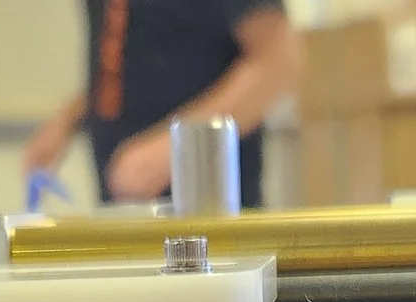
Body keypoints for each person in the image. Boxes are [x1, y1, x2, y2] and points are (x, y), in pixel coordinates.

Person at [24, 1, 299, 209]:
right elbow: (134, 52)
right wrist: (68, 119)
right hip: (126, 212)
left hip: (208, 222)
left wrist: (176, 147)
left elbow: (280, 59)